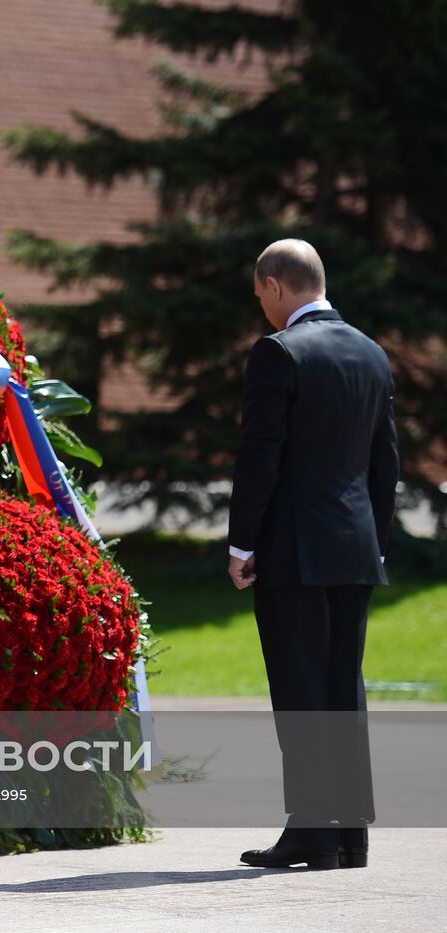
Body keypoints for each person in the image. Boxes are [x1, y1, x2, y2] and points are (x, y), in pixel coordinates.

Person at [228, 238, 398, 870]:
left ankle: (310, 833)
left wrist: (242, 543)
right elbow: (387, 466)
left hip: (294, 551)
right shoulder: (371, 354)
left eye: (260, 297)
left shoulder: (279, 353)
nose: (262, 310)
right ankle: (349, 834)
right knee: (341, 688)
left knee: (301, 690)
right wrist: (371, 545)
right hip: (355, 552)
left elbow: (260, 458)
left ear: (275, 286)